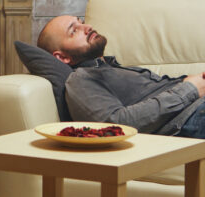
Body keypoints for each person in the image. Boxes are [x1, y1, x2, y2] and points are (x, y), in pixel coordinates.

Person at [37, 15, 205, 137]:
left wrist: (190, 82)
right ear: (62, 57)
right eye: (74, 31)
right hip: (191, 118)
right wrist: (189, 89)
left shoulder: (111, 68)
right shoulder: (80, 79)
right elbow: (116, 124)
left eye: (81, 22)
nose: (87, 27)